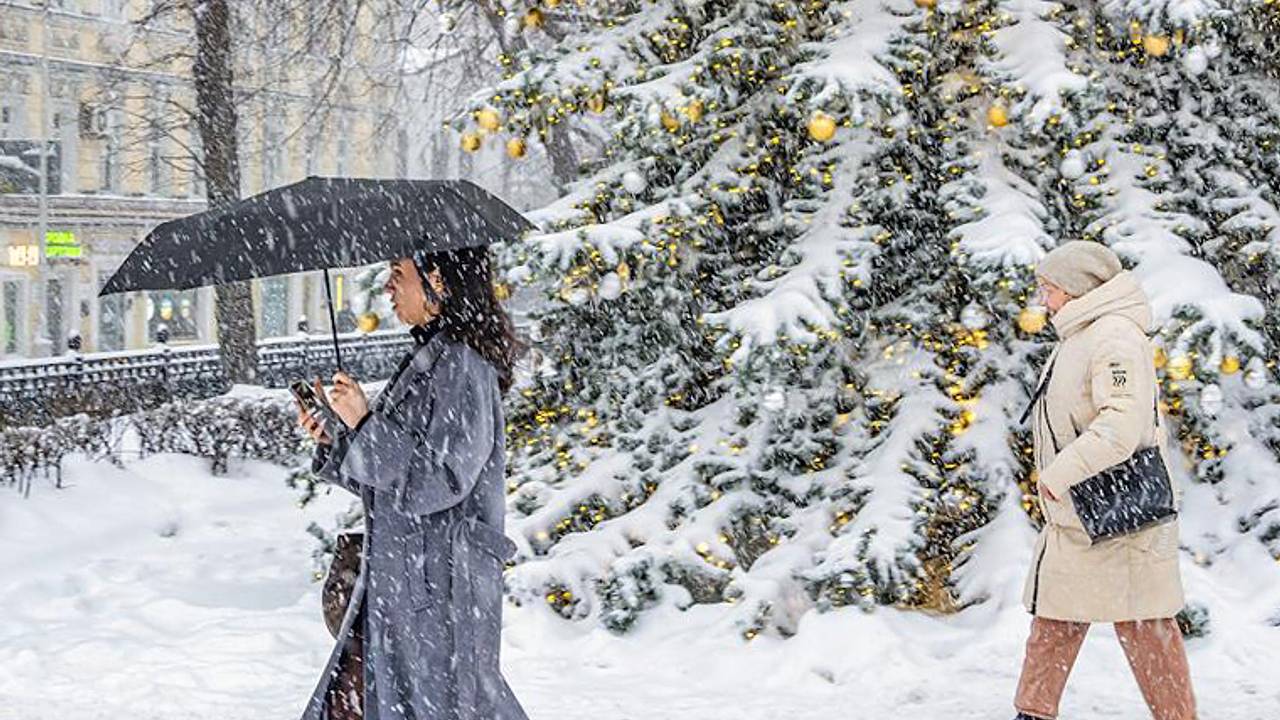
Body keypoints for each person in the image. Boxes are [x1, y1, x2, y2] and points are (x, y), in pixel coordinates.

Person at [296, 246, 528, 720]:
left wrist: (364, 423)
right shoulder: (432, 357)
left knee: (444, 705)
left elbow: (440, 480)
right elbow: (391, 479)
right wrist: (338, 437)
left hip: (439, 585)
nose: (388, 287)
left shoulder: (464, 366)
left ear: (437, 282)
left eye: (397, 274)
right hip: (407, 580)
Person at [1013, 241, 1196, 720]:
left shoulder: (1113, 337)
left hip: (1120, 515)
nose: (1043, 301)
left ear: (1076, 289)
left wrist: (1058, 475)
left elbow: (1121, 426)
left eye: (1049, 290)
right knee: (1054, 624)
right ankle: (1031, 716)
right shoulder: (1082, 334)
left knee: (1146, 628)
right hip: (1083, 516)